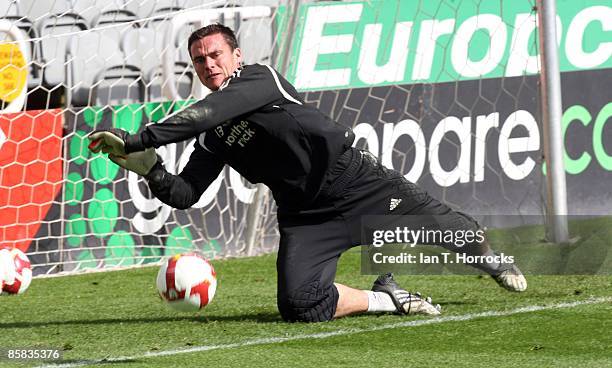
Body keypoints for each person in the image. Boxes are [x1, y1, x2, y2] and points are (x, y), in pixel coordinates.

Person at [88, 24, 526, 323]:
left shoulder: (260, 79)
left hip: (356, 183)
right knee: (300, 306)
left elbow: (210, 112)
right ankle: (385, 297)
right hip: (306, 217)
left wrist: (141, 138)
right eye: (199, 61)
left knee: (453, 233)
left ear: (236, 55)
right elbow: (186, 194)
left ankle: (493, 260)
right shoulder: (213, 134)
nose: (208, 65)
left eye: (215, 54)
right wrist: (151, 168)